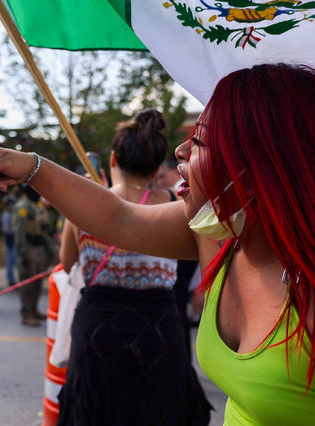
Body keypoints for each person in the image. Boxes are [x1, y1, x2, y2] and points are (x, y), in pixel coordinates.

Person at [0, 63, 315, 424]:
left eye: (199, 142)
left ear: (259, 165)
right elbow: (118, 217)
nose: (180, 151)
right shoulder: (216, 236)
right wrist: (31, 166)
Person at [57, 109, 210, 425]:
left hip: (98, 331)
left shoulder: (83, 210)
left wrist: (88, 197)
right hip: (160, 330)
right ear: (156, 167)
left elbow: (67, 264)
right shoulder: (174, 207)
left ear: (112, 159)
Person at [156, 157, 201, 359]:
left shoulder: (179, 191)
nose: (160, 180)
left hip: (184, 264)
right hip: (186, 263)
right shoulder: (177, 192)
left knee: (177, 307)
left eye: (162, 175)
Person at [13, 185, 51, 326]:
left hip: (39, 247)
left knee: (37, 282)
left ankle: (34, 309)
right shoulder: (23, 206)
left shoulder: (36, 206)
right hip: (29, 247)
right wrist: (23, 253)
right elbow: (19, 231)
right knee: (27, 282)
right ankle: (26, 313)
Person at [0, 195, 17, 286]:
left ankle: (12, 279)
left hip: (13, 239)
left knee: (14, 260)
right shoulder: (7, 215)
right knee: (11, 260)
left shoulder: (12, 214)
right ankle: (10, 280)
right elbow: (6, 230)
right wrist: (17, 230)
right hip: (10, 240)